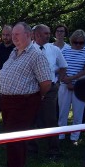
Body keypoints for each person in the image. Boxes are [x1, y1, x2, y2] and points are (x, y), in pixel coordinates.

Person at [0, 22, 52, 167]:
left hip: (23, 103)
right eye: (12, 35)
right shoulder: (14, 52)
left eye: (17, 34)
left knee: (16, 138)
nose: (14, 37)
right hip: (7, 102)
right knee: (9, 136)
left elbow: (46, 82)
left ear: (29, 35)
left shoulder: (36, 55)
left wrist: (36, 97)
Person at [29, 24, 67, 158]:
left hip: (50, 88)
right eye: (46, 33)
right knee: (31, 118)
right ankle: (31, 148)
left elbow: (63, 66)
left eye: (49, 33)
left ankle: (54, 150)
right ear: (37, 34)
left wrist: (58, 81)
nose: (49, 35)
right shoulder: (27, 49)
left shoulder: (54, 49)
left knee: (50, 118)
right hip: (31, 89)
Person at [58, 30, 85, 145]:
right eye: (75, 42)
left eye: (81, 42)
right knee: (63, 112)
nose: (78, 44)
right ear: (71, 41)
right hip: (65, 85)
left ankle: (75, 137)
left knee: (78, 113)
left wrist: (72, 80)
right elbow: (61, 68)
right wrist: (68, 82)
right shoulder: (64, 51)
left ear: (84, 42)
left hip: (79, 87)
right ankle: (60, 135)